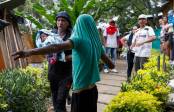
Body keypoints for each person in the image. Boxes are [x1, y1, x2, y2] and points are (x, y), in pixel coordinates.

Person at [12, 14, 115, 112]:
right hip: (93, 91)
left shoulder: (78, 40)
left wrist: (28, 52)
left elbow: (55, 47)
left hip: (80, 92)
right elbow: (111, 65)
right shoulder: (97, 44)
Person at [35, 11, 73, 112]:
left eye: (63, 20)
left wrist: (65, 57)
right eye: (58, 20)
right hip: (53, 73)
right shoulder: (50, 34)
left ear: (68, 23)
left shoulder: (72, 36)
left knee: (60, 100)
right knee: (56, 101)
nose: (60, 22)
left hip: (66, 74)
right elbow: (44, 49)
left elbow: (78, 54)